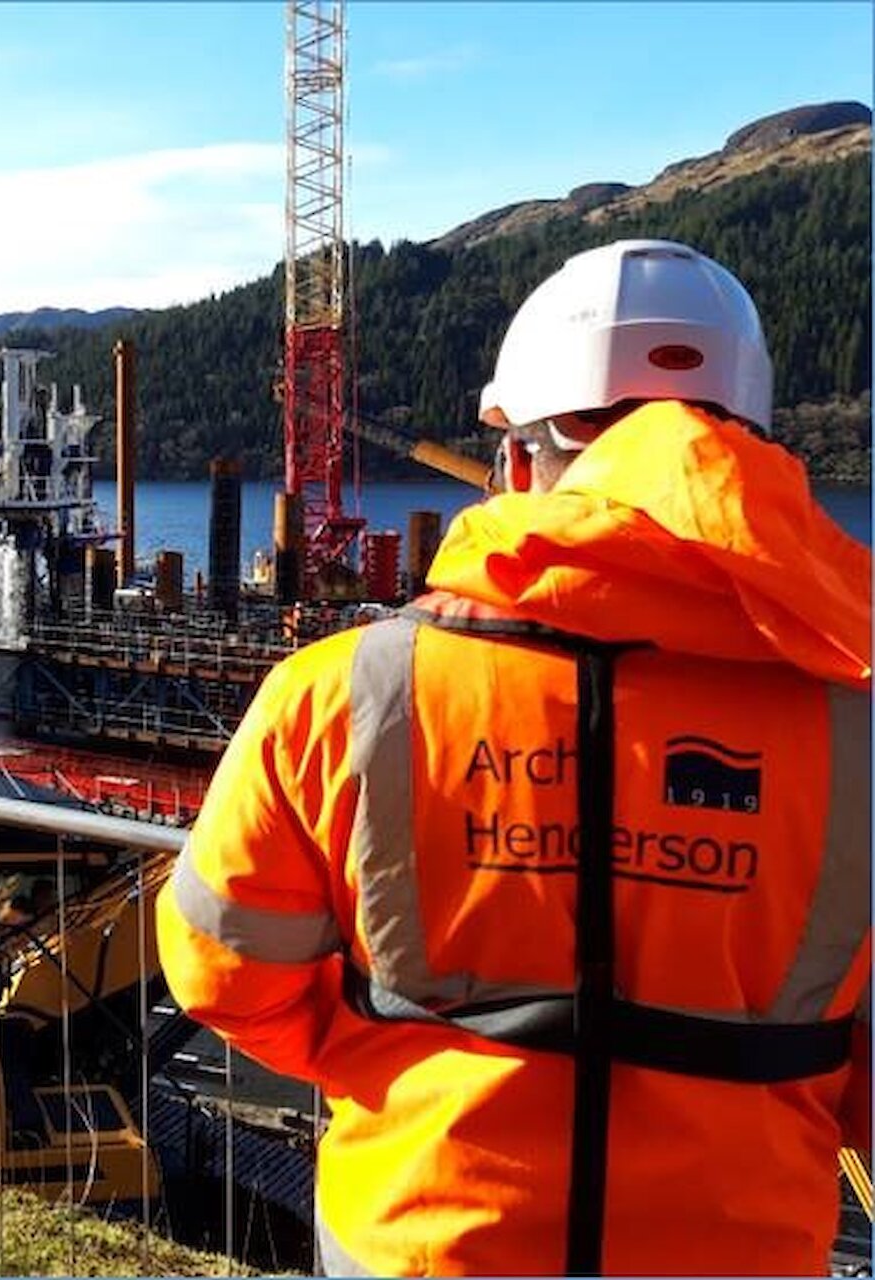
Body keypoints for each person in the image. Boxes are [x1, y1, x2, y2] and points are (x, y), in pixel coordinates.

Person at [158, 239, 871, 1276]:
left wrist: (415, 1061)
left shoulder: (344, 690)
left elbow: (224, 975)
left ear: (519, 459)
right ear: (744, 451)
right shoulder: (851, 730)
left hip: (417, 1237)